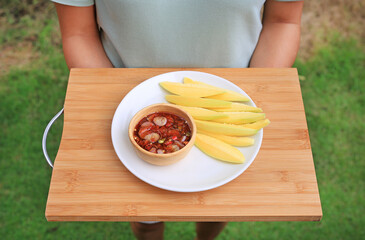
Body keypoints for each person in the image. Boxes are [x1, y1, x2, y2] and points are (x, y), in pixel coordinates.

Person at [52, 0, 303, 239]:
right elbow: (79, 34)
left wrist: (247, 103)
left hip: (230, 112)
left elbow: (282, 22)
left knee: (215, 214)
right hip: (125, 109)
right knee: (145, 222)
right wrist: (118, 112)